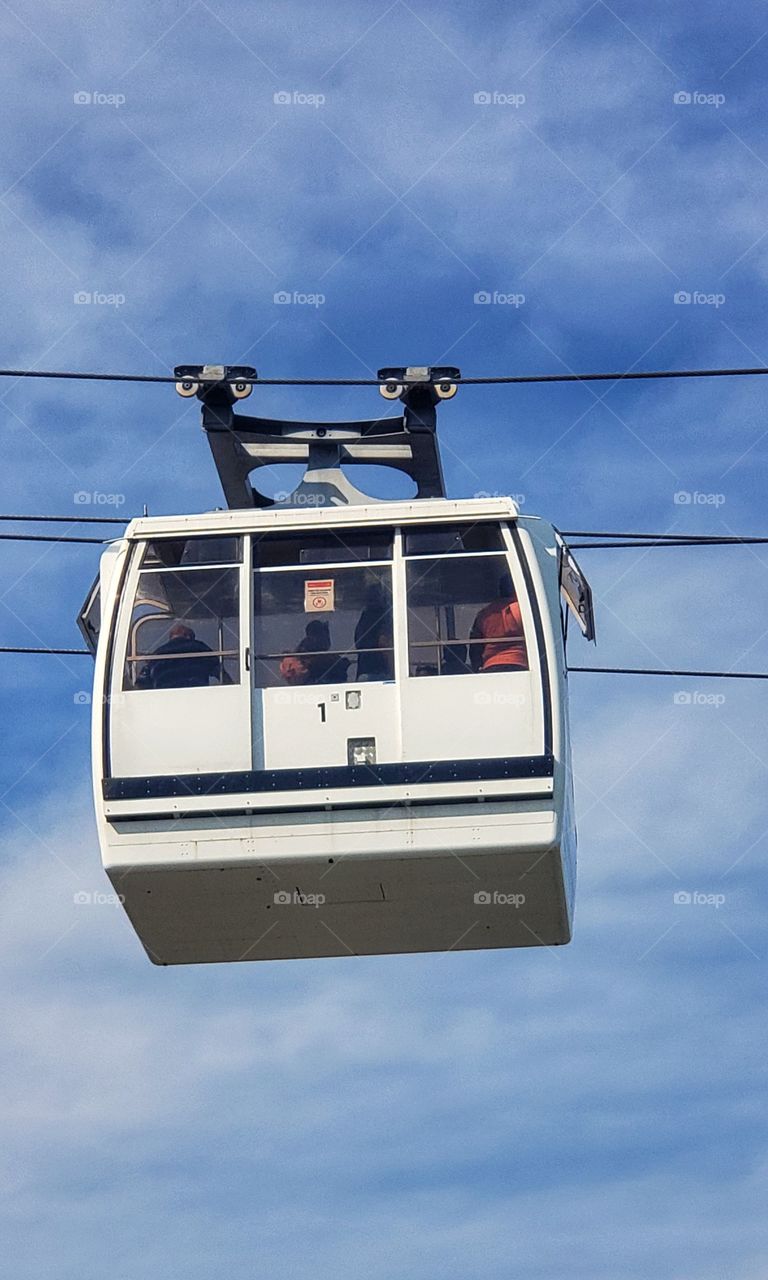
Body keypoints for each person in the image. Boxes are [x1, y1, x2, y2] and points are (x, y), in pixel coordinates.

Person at [469, 573, 528, 672]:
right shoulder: (522, 610)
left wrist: (477, 669)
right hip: (520, 665)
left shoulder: (484, 614)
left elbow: (475, 647)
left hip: (491, 666)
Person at [141, 622, 219, 689]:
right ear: (188, 636)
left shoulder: (157, 653)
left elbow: (143, 680)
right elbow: (217, 669)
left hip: (165, 695)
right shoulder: (199, 647)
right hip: (196, 691)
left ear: (171, 637)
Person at [280, 619, 350, 685]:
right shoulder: (311, 643)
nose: (327, 636)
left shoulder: (330, 657)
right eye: (324, 632)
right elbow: (303, 660)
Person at [354, 584, 393, 681]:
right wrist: (396, 670)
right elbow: (384, 643)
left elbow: (358, 641)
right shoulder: (384, 614)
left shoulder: (364, 615)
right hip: (380, 673)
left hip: (362, 671)